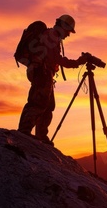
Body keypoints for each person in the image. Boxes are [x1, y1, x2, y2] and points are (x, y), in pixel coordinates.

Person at [17, 14, 87, 145]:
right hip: (41, 73)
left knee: (48, 105)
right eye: (68, 31)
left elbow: (54, 59)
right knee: (38, 103)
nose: (68, 35)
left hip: (42, 73)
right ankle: (24, 132)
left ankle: (41, 135)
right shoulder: (51, 36)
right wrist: (78, 62)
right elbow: (57, 59)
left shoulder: (51, 36)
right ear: (63, 27)